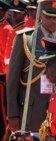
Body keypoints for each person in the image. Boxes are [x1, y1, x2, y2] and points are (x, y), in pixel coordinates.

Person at [7, 0, 56, 134]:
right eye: (48, 16)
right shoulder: (26, 39)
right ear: (40, 15)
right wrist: (12, 114)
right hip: (30, 112)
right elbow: (12, 79)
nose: (52, 21)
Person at [0, 0, 11, 138]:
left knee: (2, 109)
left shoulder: (7, 29)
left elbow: (6, 54)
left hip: (2, 74)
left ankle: (4, 134)